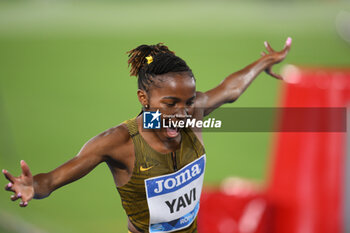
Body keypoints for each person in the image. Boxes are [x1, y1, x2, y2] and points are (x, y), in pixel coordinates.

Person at [2, 38, 292, 233]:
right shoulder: (118, 143)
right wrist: (32, 186)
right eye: (170, 104)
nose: (181, 113)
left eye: (188, 101)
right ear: (144, 98)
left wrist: (263, 63)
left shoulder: (192, 113)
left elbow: (231, 89)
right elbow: (51, 180)